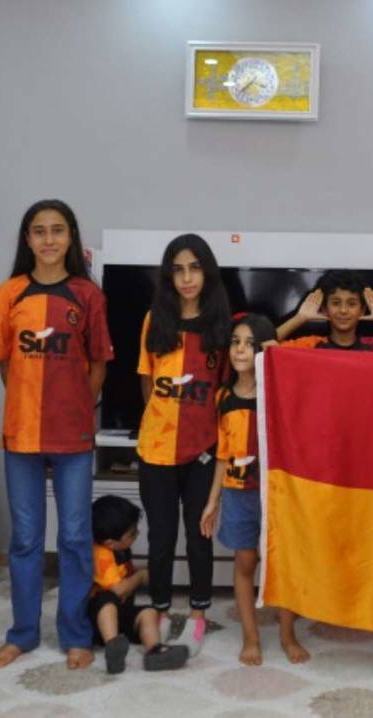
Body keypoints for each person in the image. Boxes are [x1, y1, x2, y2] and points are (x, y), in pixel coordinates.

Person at [0, 200, 112, 671]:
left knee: (76, 537)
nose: (49, 239)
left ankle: (75, 634)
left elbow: (98, 364)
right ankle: (22, 633)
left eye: (58, 230)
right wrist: (29, 403)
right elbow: (6, 365)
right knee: (25, 539)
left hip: (73, 439)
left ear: (71, 237)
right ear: (27, 239)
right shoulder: (9, 293)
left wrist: (74, 407)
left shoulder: (88, 295)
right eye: (39, 231)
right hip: (20, 436)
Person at [136, 233, 232, 654]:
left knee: (198, 536)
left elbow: (227, 391)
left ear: (207, 273)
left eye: (195, 268)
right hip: (155, 450)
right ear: (168, 276)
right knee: (160, 536)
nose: (187, 278)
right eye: (178, 269)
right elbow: (147, 382)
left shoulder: (221, 328)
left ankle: (197, 612)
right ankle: (159, 608)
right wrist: (161, 423)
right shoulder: (154, 320)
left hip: (203, 451)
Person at [200, 313, 310, 666]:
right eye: (235, 342)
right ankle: (251, 637)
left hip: (275, 494)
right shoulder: (223, 396)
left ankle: (287, 635)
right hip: (237, 493)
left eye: (250, 343)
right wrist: (213, 501)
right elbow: (222, 454)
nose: (240, 350)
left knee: (281, 564)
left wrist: (276, 352)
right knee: (245, 562)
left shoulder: (278, 393)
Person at [88, 495, 190, 673]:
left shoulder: (120, 550)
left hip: (122, 614)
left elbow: (125, 575)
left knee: (149, 612)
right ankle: (112, 646)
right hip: (97, 621)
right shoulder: (101, 555)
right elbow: (118, 589)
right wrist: (141, 577)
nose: (137, 535)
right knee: (107, 602)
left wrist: (142, 572)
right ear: (110, 543)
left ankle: (155, 651)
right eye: (132, 534)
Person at [276, 269, 373, 350]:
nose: (343, 310)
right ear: (325, 309)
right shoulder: (310, 344)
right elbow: (267, 346)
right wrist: (300, 318)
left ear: (362, 310)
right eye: (336, 303)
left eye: (352, 304)